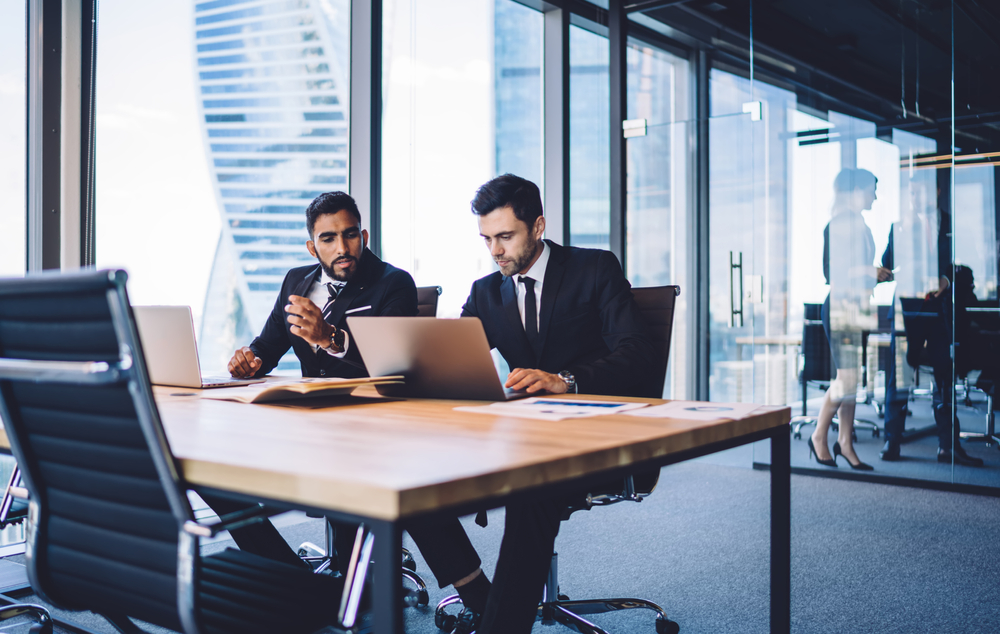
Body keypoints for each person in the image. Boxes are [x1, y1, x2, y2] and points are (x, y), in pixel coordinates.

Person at [407, 173, 656, 634]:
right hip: (517, 436)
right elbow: (456, 359)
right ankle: (481, 597)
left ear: (538, 226)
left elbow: (637, 352)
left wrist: (566, 380)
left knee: (532, 487)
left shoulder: (594, 269)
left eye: (505, 236)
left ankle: (504, 626)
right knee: (412, 471)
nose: (495, 250)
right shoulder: (486, 292)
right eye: (487, 239)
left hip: (591, 437)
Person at [209, 191, 419, 570]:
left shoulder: (393, 284)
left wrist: (330, 338)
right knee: (211, 471)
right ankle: (285, 573)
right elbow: (267, 347)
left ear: (364, 237)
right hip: (309, 425)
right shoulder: (296, 282)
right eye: (328, 238)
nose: (343, 247)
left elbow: (391, 367)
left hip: (370, 427)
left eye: (350, 234)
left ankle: (350, 575)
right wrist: (249, 361)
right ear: (312, 246)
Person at [811, 168, 887, 471]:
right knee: (846, 379)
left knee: (852, 382)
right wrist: (868, 271)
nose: (875, 196)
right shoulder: (839, 224)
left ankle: (845, 443)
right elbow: (832, 274)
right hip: (841, 306)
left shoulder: (860, 225)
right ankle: (819, 436)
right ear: (856, 191)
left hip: (858, 306)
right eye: (872, 190)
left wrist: (875, 275)